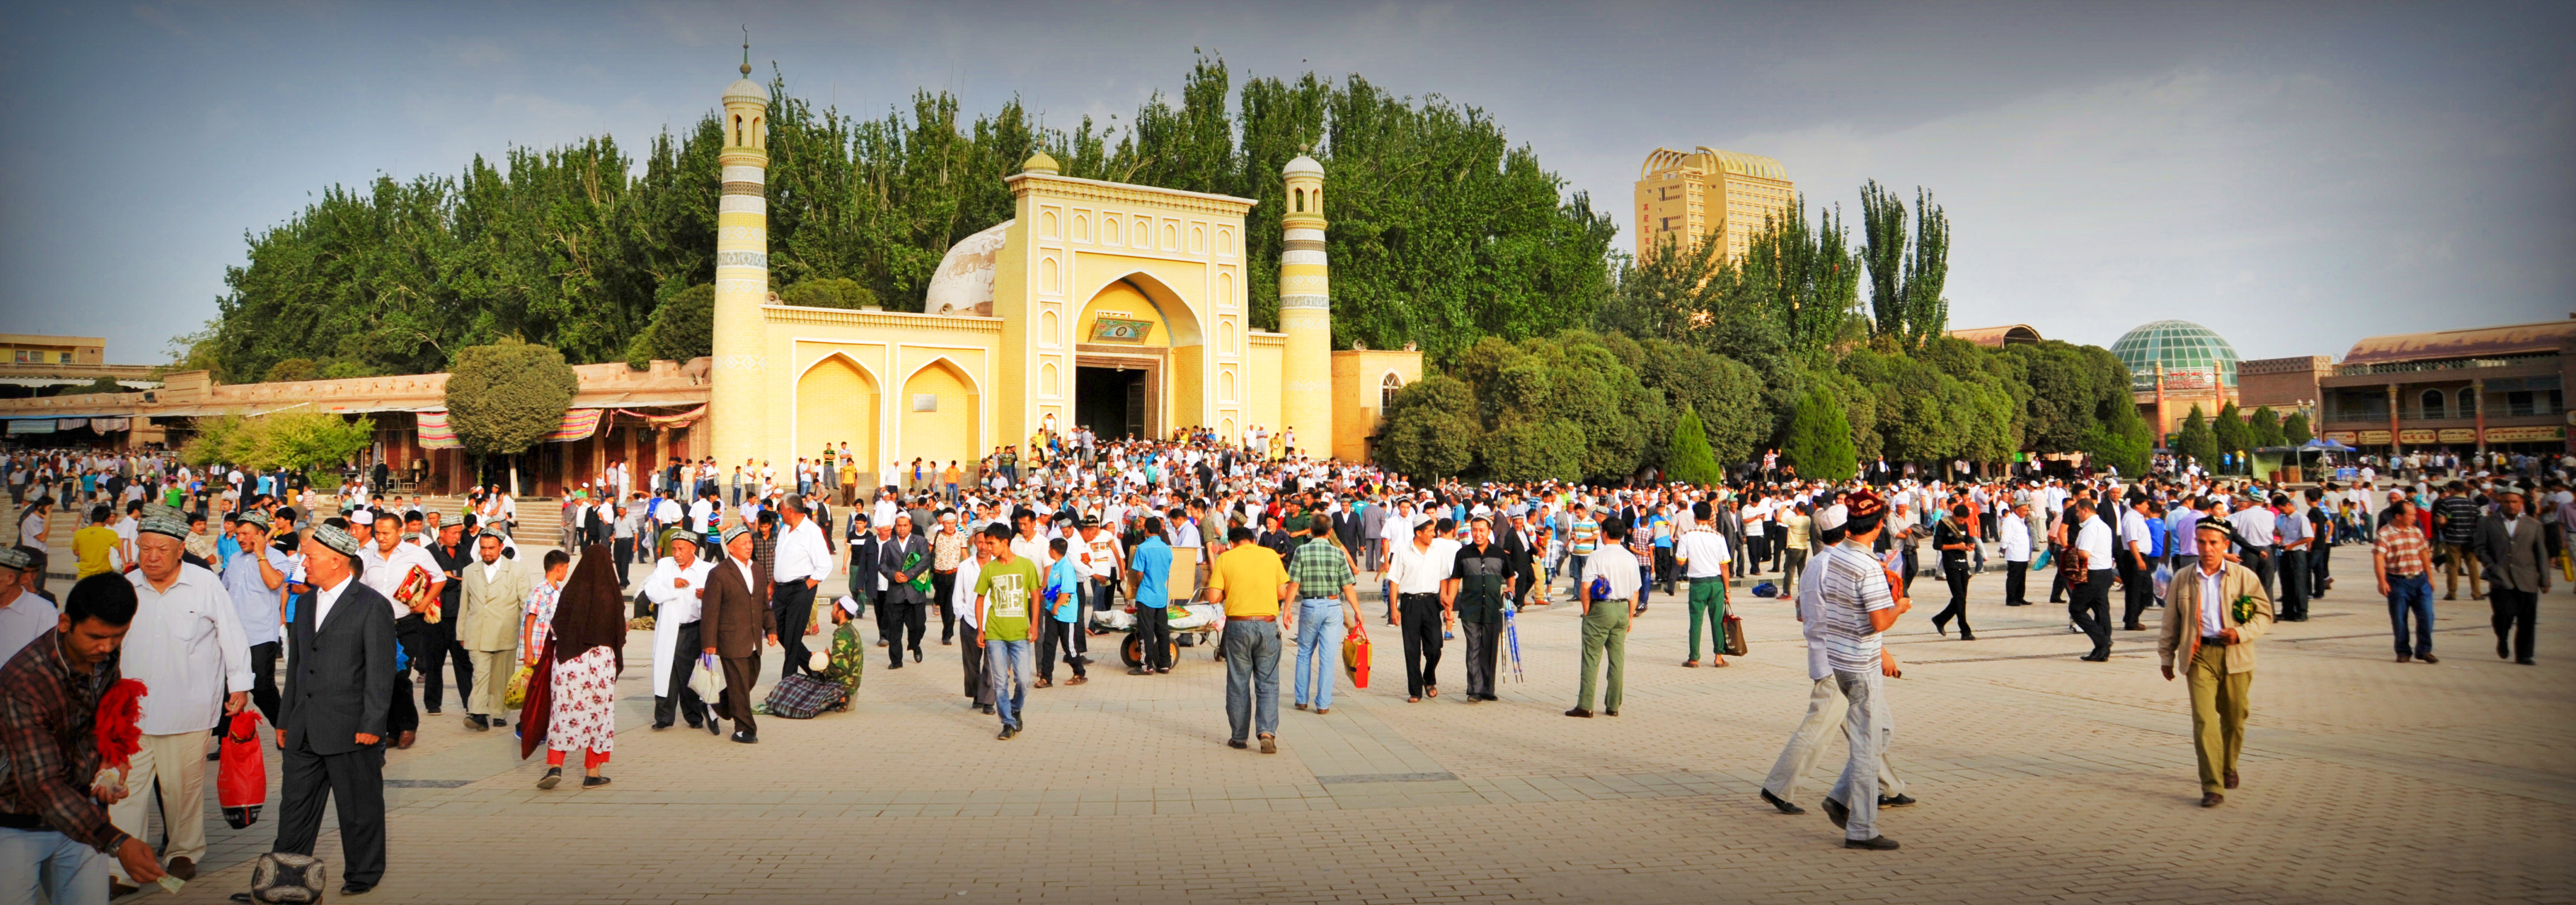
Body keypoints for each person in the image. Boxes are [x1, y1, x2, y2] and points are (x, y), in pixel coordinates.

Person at [1, 574, 168, 904]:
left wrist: (110, 757)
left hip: (82, 816)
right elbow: (41, 784)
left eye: (117, 637)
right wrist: (117, 841)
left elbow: (100, 720)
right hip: (15, 824)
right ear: (65, 623)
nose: (106, 648)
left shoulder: (104, 656)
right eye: (96, 637)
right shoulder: (23, 682)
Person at [107, 513, 250, 889]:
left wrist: (240, 685)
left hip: (188, 708)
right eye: (145, 548)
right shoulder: (127, 586)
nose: (152, 556)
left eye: (161, 549)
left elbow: (232, 635)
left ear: (180, 551)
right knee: (126, 793)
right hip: (132, 715)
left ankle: (183, 851)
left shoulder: (205, 584)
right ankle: (122, 869)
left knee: (182, 789)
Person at [270, 524, 396, 897]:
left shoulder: (372, 605)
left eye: (310, 557)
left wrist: (372, 723)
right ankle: (283, 881)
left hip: (351, 726)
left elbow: (380, 672)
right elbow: (297, 666)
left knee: (359, 809)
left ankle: (364, 874)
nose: (302, 563)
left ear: (337, 561)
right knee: (294, 808)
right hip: (304, 726)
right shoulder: (306, 601)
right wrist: (284, 719)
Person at [2158, 520, 2273, 808]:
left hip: (2236, 655)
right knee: (2205, 721)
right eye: (2201, 542)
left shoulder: (2243, 577)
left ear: (2225, 545)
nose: (2207, 549)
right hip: (2199, 656)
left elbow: (2264, 615)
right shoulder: (2183, 578)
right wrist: (2166, 656)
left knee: (2235, 718)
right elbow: (2170, 622)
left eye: (2213, 543)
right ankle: (2212, 786)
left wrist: (2241, 633)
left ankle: (2228, 765)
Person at [523, 550, 623, 789]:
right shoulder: (611, 593)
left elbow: (556, 626)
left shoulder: (570, 591)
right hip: (601, 662)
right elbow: (619, 630)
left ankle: (555, 767)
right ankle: (592, 773)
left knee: (563, 715)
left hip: (569, 663)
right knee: (599, 718)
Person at [1206, 525, 1290, 753]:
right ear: (1253, 540)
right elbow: (1282, 593)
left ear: (1232, 543)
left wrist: (1230, 591)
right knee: (1268, 683)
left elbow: (1214, 597)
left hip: (1238, 626)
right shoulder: (1271, 556)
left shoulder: (1226, 559)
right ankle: (1266, 732)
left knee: (1238, 682)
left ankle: (1239, 737)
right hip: (1267, 624)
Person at [700, 526, 774, 743]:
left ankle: (715, 706)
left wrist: (771, 628)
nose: (749, 546)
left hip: (752, 638)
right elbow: (710, 610)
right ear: (731, 548)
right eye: (744, 543)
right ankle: (745, 729)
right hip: (730, 638)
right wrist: (709, 642)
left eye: (750, 542)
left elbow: (763, 605)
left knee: (749, 679)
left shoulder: (758, 570)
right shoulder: (719, 573)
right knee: (740, 685)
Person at [455, 530, 529, 732]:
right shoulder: (470, 571)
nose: (487, 553)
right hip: (477, 632)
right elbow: (465, 604)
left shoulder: (517, 571)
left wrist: (527, 635)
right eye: (483, 548)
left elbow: (525, 604)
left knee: (502, 677)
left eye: (491, 548)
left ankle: (499, 713)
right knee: (480, 675)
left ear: (501, 548)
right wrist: (461, 633)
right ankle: (478, 713)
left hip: (505, 632)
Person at [1568, 518, 1640, 719]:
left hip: (1601, 609)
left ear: (1605, 533)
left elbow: (1585, 587)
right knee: (1617, 658)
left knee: (1591, 657)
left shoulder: (1597, 556)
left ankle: (1585, 704)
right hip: (1622, 609)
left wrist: (1586, 610)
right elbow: (1635, 592)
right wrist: (1630, 617)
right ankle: (1614, 704)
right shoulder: (1630, 558)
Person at [645, 530, 717, 731]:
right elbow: (651, 592)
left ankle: (694, 716)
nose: (676, 554)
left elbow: (720, 599)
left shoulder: (708, 570)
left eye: (681, 549)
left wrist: (707, 596)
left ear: (693, 549)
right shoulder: (664, 566)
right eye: (674, 549)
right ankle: (664, 718)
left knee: (690, 674)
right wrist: (672, 584)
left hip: (694, 630)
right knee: (665, 672)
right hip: (669, 628)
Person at [973, 524, 1039, 739]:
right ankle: (1008, 723)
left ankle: (1016, 708)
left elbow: (1036, 595)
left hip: (1020, 634)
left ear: (1005, 542)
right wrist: (981, 629)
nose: (988, 547)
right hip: (995, 634)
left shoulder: (1026, 566)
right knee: (1000, 682)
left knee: (1023, 680)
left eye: (992, 543)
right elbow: (980, 598)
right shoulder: (990, 569)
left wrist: (1035, 624)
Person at [1288, 516, 1361, 711]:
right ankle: (1323, 704)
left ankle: (1302, 700)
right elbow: (1347, 587)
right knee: (1327, 659)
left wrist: (1286, 609)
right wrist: (1357, 612)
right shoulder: (1338, 554)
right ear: (1330, 532)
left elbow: (1294, 584)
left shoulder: (1301, 551)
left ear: (1310, 531)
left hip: (1310, 606)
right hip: (1332, 606)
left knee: (1304, 653)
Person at [2474, 487, 2547, 665]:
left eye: (2515, 502)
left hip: (2527, 578)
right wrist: (2491, 566)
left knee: (2527, 619)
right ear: (2500, 502)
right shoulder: (2488, 523)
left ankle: (2524, 654)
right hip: (2500, 578)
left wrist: (2545, 578)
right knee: (2503, 615)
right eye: (2507, 502)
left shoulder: (2534, 525)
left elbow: (2541, 553)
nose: (2511, 505)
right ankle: (2503, 637)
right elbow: (2479, 548)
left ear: (2521, 502)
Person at [1442, 516, 1510, 703]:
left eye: (1482, 530)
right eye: (1474, 530)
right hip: (1470, 609)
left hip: (1493, 608)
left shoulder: (1499, 553)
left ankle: (1488, 689)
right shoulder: (1463, 554)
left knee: (1489, 649)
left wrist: (1510, 588)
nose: (1478, 534)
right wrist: (1450, 604)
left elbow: (1510, 576)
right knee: (1473, 647)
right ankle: (1474, 690)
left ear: (1489, 532)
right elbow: (1455, 580)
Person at [1386, 519, 1450, 702]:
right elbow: (1395, 581)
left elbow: (1444, 577)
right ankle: (1415, 690)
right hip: (1410, 603)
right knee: (1411, 648)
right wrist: (1393, 608)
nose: (1433, 534)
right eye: (1430, 531)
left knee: (1435, 646)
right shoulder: (1403, 551)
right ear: (1419, 533)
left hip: (1431, 603)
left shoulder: (1437, 550)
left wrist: (1445, 598)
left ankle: (1429, 677)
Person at [771, 496, 831, 680]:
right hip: (780, 589)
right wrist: (772, 584)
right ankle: (815, 670)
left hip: (801, 588)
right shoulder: (784, 531)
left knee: (792, 636)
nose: (779, 512)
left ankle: (787, 683)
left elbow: (825, 566)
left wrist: (805, 587)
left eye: (780, 509)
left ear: (790, 510)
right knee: (776, 630)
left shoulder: (812, 531)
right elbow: (780, 561)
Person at [2372, 497, 2436, 663]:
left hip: (2420, 580)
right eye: (2411, 515)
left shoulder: (2416, 532)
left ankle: (2424, 650)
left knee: (2427, 616)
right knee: (2399, 618)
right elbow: (2379, 558)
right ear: (2399, 516)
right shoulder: (2384, 534)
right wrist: (2381, 581)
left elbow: (2424, 553)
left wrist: (2430, 577)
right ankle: (2403, 651)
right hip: (2397, 581)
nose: (2414, 518)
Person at [1677, 502, 1733, 667]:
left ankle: (1694, 658)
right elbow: (1725, 566)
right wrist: (1727, 590)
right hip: (1716, 583)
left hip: (1697, 584)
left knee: (1696, 621)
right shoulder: (1719, 537)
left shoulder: (1687, 536)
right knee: (1717, 621)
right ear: (1710, 517)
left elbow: (1680, 561)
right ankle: (1719, 657)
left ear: (1695, 517)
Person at [876, 512, 932, 670]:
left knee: (919, 625)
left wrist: (908, 575)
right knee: (895, 630)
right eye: (899, 525)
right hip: (895, 593)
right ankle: (896, 660)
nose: (902, 528)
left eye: (905, 525)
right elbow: (883, 566)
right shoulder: (889, 545)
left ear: (911, 526)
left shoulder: (920, 541)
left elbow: (925, 561)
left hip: (915, 592)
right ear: (895, 526)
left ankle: (915, 644)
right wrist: (894, 575)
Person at [2068, 499, 2116, 662]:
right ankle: (2102, 651)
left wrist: (2074, 551)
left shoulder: (2090, 528)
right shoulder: (2104, 526)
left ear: (2086, 511)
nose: (2077, 514)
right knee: (2101, 610)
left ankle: (2103, 641)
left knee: (2077, 609)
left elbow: (2085, 553)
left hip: (2093, 573)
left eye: (2078, 511)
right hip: (2105, 572)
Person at [1129, 516, 1177, 676]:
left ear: (1147, 531)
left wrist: (1137, 584)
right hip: (1161, 595)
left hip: (1146, 595)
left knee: (1146, 631)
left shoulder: (1143, 548)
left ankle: (1146, 665)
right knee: (1163, 631)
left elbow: (1139, 573)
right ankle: (1165, 664)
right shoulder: (1167, 549)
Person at [1036, 538, 1086, 687]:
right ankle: (1046, 677)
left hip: (1065, 613)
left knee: (1069, 645)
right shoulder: (1055, 566)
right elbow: (1053, 587)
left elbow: (1067, 591)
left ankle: (1079, 672)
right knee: (1048, 644)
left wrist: (1056, 607)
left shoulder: (1066, 567)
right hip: (1052, 611)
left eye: (1049, 548)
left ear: (1054, 550)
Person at [0, 546, 58, 657]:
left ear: (11, 578)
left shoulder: (45, 612)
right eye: (25, 572)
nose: (29, 579)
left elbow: (53, 657)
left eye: (34, 572)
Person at [1929, 505, 1976, 640]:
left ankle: (1940, 619)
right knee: (1960, 599)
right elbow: (1937, 545)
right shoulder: (1945, 524)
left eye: (1963, 520)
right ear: (1954, 515)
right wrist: (1955, 546)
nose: (1962, 522)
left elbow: (1968, 539)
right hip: (1951, 565)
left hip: (1964, 564)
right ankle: (1965, 631)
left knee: (1960, 599)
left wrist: (1970, 545)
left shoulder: (1964, 524)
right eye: (1960, 520)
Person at [1999, 501, 2034, 607]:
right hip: (2015, 554)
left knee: (2022, 578)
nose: (2026, 512)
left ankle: (2020, 597)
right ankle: (2011, 599)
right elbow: (2005, 537)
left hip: (2023, 554)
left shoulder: (2021, 520)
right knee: (2014, 578)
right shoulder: (2010, 520)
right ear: (2017, 510)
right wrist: (2004, 549)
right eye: (2024, 511)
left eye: (2027, 510)